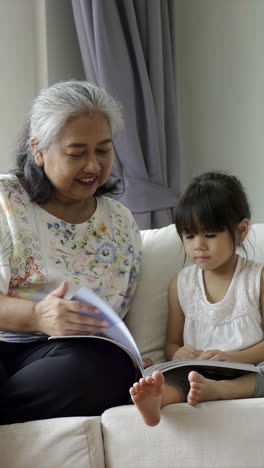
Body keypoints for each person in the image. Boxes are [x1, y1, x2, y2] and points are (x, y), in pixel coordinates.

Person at [0, 80, 142, 425]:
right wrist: (38, 317)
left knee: (109, 368)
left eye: (103, 151)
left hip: (68, 358)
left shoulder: (120, 222)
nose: (93, 166)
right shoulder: (6, 201)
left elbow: (114, 317)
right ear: (38, 150)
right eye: (77, 153)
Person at [130, 171, 264, 426]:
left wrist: (234, 358)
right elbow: (171, 343)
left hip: (249, 369)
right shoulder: (181, 284)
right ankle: (158, 399)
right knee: (177, 377)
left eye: (210, 235)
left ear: (242, 230)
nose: (198, 246)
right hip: (197, 372)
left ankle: (220, 391)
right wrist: (179, 353)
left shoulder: (257, 278)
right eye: (190, 236)